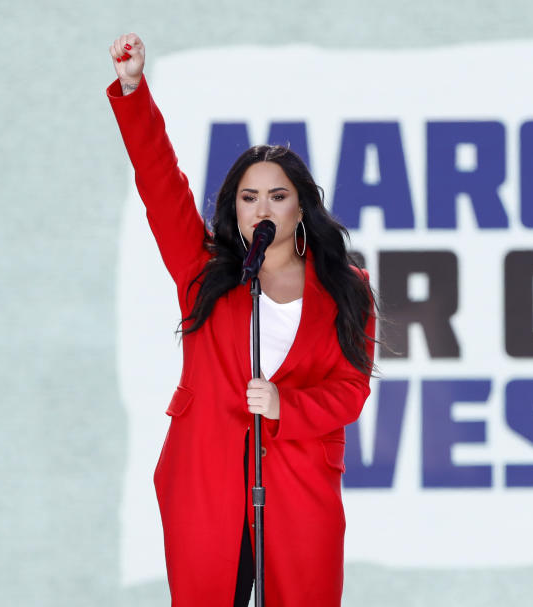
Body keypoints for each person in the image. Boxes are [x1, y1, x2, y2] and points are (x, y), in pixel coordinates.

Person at [107, 33, 376, 606]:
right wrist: (134, 90)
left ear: (301, 206)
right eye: (249, 197)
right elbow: (161, 185)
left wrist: (285, 406)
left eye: (277, 196)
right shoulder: (205, 271)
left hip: (299, 484)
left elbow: (351, 391)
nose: (262, 208)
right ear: (235, 207)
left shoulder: (347, 291)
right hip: (206, 477)